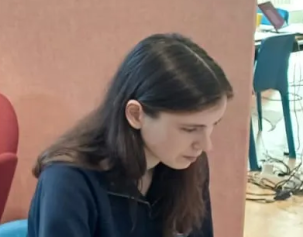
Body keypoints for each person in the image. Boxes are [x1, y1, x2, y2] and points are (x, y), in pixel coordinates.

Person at [28, 33, 230, 237]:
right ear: (135, 114)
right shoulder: (68, 181)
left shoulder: (188, 163)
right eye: (189, 129)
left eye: (213, 125)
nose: (205, 145)